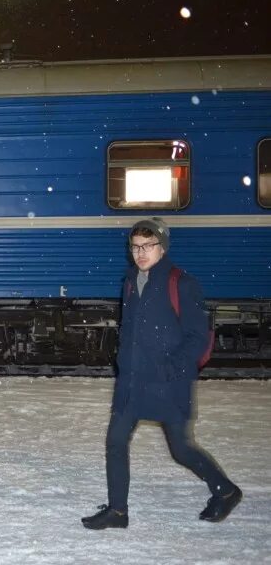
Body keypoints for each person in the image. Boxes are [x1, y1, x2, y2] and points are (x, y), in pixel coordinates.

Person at [82, 218, 242, 530]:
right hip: (132, 380)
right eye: (136, 246)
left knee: (181, 449)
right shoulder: (129, 280)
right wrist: (121, 358)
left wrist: (174, 367)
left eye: (148, 246)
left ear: (162, 247)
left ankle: (226, 490)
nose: (141, 252)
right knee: (115, 441)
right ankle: (117, 511)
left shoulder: (181, 282)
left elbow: (198, 336)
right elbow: (130, 327)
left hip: (168, 382)